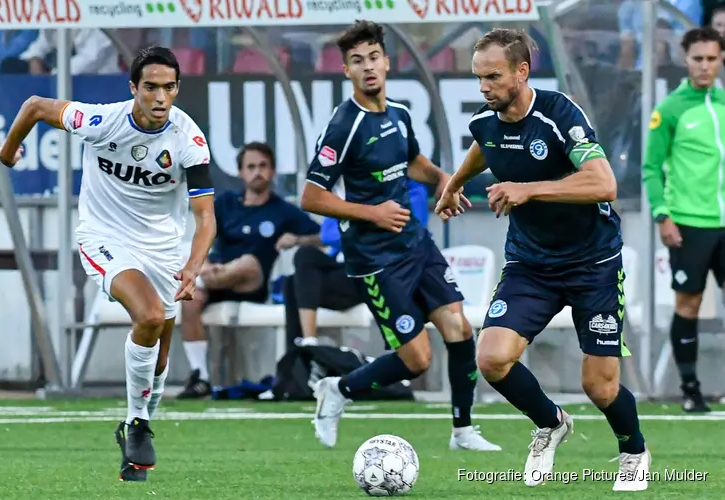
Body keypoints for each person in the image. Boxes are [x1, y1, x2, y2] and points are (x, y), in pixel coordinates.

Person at [436, 28, 650, 491]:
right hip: (530, 264)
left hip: (593, 263)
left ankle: (633, 450)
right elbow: (484, 147)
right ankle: (550, 423)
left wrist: (528, 189)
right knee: (491, 359)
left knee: (601, 387)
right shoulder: (487, 121)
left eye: (492, 77)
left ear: (521, 71)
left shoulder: (558, 114)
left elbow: (604, 184)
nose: (484, 87)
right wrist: (453, 185)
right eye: (478, 78)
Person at [0, 46, 216, 482]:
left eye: (168, 87)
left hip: (164, 249)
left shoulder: (188, 139)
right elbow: (35, 106)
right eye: (149, 87)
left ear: (177, 89)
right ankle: (137, 424)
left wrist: (193, 265)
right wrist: (7, 152)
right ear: (133, 88)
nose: (158, 97)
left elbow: (205, 216)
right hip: (106, 238)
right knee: (150, 316)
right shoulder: (101, 121)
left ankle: (138, 428)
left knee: (159, 356)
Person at [301, 20, 500, 453]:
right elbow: (311, 196)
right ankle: (339, 390)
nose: (368, 67)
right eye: (357, 61)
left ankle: (463, 429)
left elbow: (413, 163)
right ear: (347, 72)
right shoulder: (343, 126)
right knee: (417, 360)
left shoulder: (400, 113)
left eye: (373, 58)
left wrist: (445, 180)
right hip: (375, 258)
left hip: (416, 242)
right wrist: (370, 212)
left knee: (459, 328)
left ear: (387, 62)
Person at [177, 141, 321, 398]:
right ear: (241, 172)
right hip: (216, 278)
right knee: (190, 299)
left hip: (251, 283)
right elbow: (204, 236)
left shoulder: (283, 210)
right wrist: (206, 263)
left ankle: (202, 279)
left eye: (263, 166)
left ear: (273, 171)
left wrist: (297, 239)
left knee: (248, 262)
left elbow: (322, 236)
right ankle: (201, 377)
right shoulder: (225, 205)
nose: (257, 172)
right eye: (251, 167)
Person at [642, 27, 725, 413]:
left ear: (721, 58)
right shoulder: (671, 108)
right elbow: (650, 167)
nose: (705, 65)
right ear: (686, 59)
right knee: (688, 304)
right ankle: (690, 389)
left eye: (711, 58)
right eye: (698, 59)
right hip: (689, 224)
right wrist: (662, 215)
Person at [284, 180, 429, 346]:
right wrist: (369, 218)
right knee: (301, 262)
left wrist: (357, 217)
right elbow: (328, 234)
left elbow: (403, 233)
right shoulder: (356, 190)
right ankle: (305, 349)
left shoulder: (413, 190)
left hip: (379, 273)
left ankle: (306, 351)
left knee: (296, 282)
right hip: (347, 271)